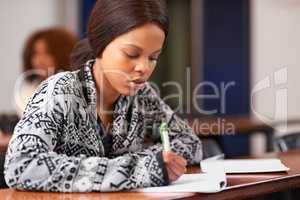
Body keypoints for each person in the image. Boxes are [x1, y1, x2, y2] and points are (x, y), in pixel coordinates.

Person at [4, 0, 202, 192]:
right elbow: (20, 165)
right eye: (132, 54)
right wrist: (140, 168)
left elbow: (190, 143)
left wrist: (151, 162)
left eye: (153, 58)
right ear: (100, 44)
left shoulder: (142, 97)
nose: (143, 68)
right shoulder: (60, 90)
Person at [15, 27, 77, 116]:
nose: (39, 60)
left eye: (47, 53)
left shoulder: (75, 89)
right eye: (35, 53)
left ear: (64, 54)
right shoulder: (27, 89)